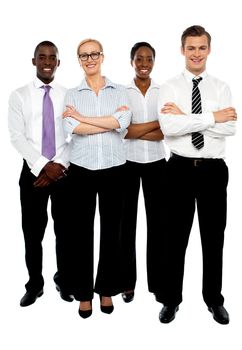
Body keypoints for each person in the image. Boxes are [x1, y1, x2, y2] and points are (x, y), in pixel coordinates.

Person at [156, 25, 237, 324]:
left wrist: (187, 118)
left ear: (209, 50)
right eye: (191, 48)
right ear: (182, 50)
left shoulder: (221, 87)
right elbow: (169, 128)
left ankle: (214, 300)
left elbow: (231, 128)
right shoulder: (169, 87)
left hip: (213, 171)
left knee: (213, 239)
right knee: (174, 239)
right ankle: (170, 300)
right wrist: (212, 118)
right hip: (178, 169)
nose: (196, 53)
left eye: (201, 47)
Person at [62, 38, 131, 318]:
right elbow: (73, 127)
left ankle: (106, 289)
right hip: (81, 170)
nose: (89, 59)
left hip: (115, 169)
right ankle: (83, 293)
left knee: (112, 233)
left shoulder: (120, 91)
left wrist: (85, 118)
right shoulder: (72, 94)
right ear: (79, 60)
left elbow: (122, 123)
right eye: (83, 56)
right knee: (81, 234)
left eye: (93, 54)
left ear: (102, 56)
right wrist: (105, 121)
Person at [8, 41, 73, 307]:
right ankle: (35, 284)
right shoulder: (19, 95)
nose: (47, 61)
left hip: (64, 171)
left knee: (66, 231)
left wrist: (59, 165)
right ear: (33, 61)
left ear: (58, 62)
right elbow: (16, 136)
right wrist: (43, 166)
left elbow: (74, 134)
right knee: (32, 232)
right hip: (34, 171)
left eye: (52, 57)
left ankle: (64, 279)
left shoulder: (69, 95)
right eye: (42, 57)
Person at [120, 42, 166, 303]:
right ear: (132, 61)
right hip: (127, 163)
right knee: (126, 225)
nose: (144, 63)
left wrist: (141, 128)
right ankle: (127, 282)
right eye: (139, 58)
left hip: (158, 164)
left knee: (159, 226)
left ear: (154, 62)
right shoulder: (122, 92)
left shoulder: (163, 91)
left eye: (149, 58)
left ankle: (158, 283)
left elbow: (167, 131)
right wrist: (155, 125)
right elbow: (123, 131)